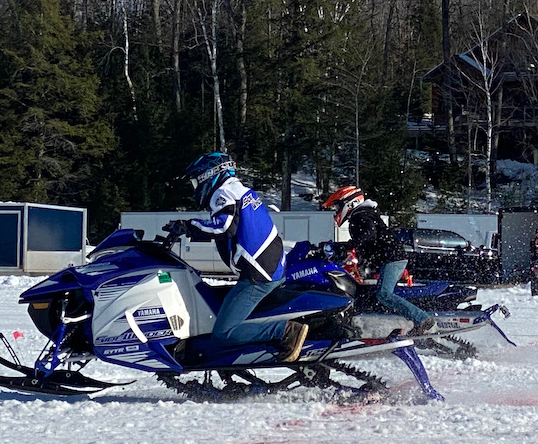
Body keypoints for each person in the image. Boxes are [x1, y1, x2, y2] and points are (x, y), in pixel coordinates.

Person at [182, 152, 307, 361]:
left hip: (258, 275)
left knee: (223, 333)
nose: (196, 188)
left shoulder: (222, 193)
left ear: (208, 175)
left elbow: (224, 227)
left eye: (196, 181)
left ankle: (285, 332)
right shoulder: (242, 191)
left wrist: (188, 226)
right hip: (271, 266)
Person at [322, 185, 436, 334]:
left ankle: (423, 319)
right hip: (390, 257)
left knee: (384, 294)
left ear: (350, 203)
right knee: (370, 291)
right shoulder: (363, 214)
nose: (336, 211)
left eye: (337, 206)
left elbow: (368, 235)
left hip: (392, 258)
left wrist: (348, 246)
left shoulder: (360, 216)